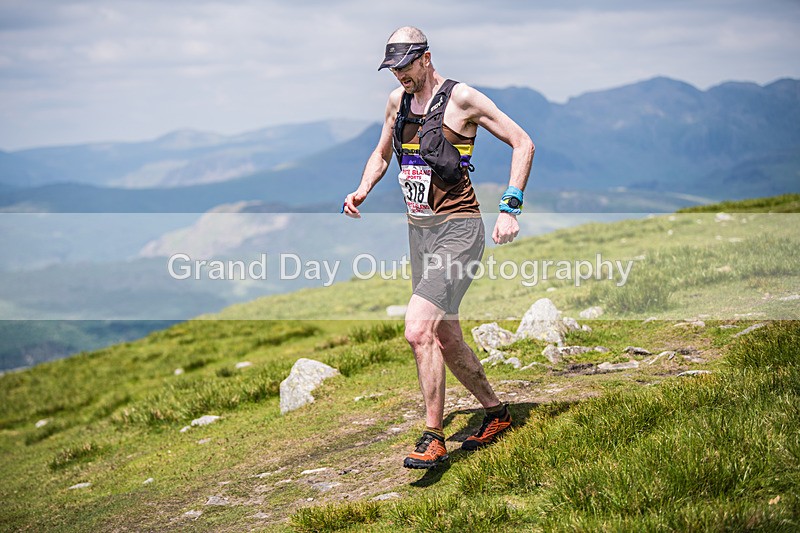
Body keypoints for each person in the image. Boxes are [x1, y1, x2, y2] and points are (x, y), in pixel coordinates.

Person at [343, 26, 534, 469]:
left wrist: (511, 206)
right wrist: (362, 189)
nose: (399, 77)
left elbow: (523, 142)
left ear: (425, 58)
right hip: (421, 234)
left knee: (417, 329)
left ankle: (433, 436)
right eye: (393, 69)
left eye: (405, 66)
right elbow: (382, 154)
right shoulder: (398, 102)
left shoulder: (463, 99)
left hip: (460, 230)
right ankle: (497, 414)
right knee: (445, 335)